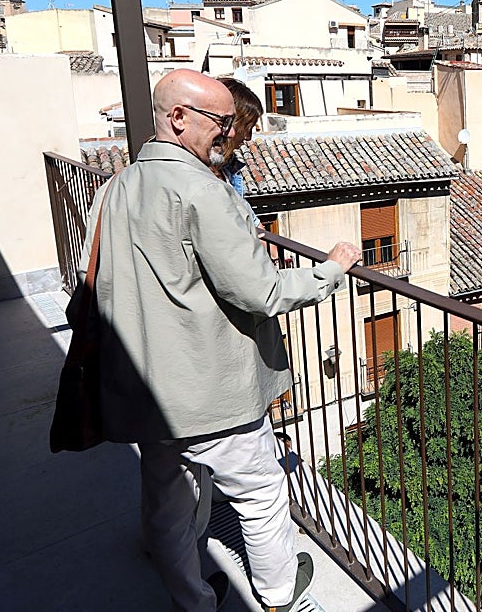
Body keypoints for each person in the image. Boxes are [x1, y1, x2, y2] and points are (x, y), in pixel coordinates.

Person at [79, 70, 361, 612]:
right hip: (209, 390)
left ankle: (194, 602)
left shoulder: (118, 185)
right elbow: (263, 291)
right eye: (221, 122)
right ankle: (280, 596)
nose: (229, 135)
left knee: (166, 502)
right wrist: (331, 270)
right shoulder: (203, 192)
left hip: (145, 386)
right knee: (260, 493)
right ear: (178, 117)